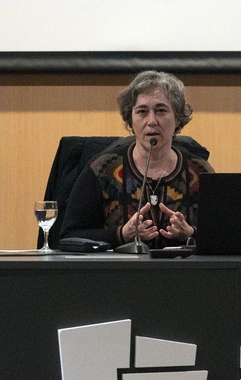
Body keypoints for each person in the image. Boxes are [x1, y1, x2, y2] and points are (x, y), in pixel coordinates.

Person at [61, 70, 215, 249]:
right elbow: (69, 236)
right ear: (130, 120)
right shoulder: (102, 169)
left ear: (178, 119)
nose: (151, 121)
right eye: (142, 111)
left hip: (184, 274)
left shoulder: (201, 171)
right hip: (120, 274)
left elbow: (224, 235)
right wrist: (120, 234)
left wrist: (191, 233)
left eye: (161, 110)